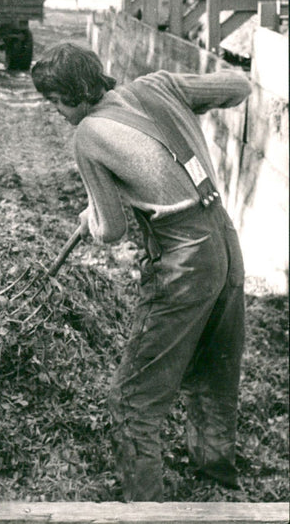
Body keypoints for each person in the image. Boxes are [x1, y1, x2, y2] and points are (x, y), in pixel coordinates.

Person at [31, 42, 251, 501]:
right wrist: (186, 111)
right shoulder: (158, 85)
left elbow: (110, 230)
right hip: (224, 240)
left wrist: (94, 215)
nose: (55, 111)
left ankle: (144, 507)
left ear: (72, 95)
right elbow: (239, 85)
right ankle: (215, 480)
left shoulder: (89, 135)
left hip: (182, 260)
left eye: (55, 101)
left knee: (132, 397)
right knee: (214, 368)